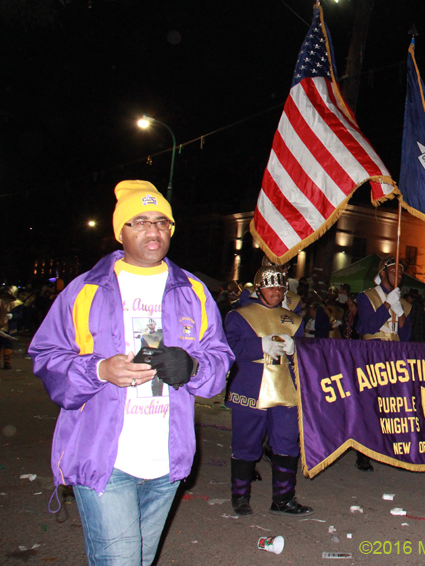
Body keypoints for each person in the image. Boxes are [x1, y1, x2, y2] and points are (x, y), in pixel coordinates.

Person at [30, 180, 233, 566]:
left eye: (161, 222)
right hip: (106, 460)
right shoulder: (84, 290)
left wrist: (192, 366)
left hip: (167, 463)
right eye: (139, 222)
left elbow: (219, 363)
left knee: (139, 560)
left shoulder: (194, 291)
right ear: (119, 232)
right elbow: (45, 356)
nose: (152, 231)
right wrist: (100, 369)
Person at [225, 263, 314, 517]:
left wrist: (296, 348)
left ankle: (283, 499)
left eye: (280, 285)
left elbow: (308, 354)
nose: (276, 290)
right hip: (251, 388)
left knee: (287, 444)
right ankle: (240, 496)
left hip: (285, 390)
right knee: (245, 444)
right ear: (260, 288)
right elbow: (228, 350)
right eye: (271, 285)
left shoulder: (295, 320)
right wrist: (258, 346)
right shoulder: (239, 316)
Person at [354, 256, 412, 470]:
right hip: (373, 352)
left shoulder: (404, 302)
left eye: (400, 272)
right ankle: (363, 451)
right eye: (393, 271)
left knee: (392, 403)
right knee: (370, 402)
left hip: (395, 353)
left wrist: (401, 313)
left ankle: (388, 448)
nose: (398, 275)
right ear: (383, 273)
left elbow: (406, 335)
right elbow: (367, 327)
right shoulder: (366, 296)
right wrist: (387, 304)